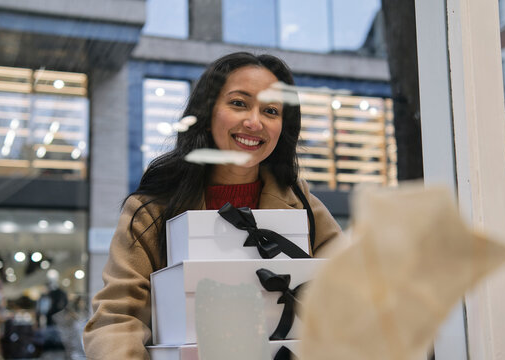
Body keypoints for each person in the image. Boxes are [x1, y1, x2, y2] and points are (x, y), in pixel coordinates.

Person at [83, 52, 344, 359]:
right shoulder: (151, 209)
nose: (254, 122)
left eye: (271, 110)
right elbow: (116, 319)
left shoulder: (302, 205)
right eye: (238, 103)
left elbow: (350, 293)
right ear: (207, 113)